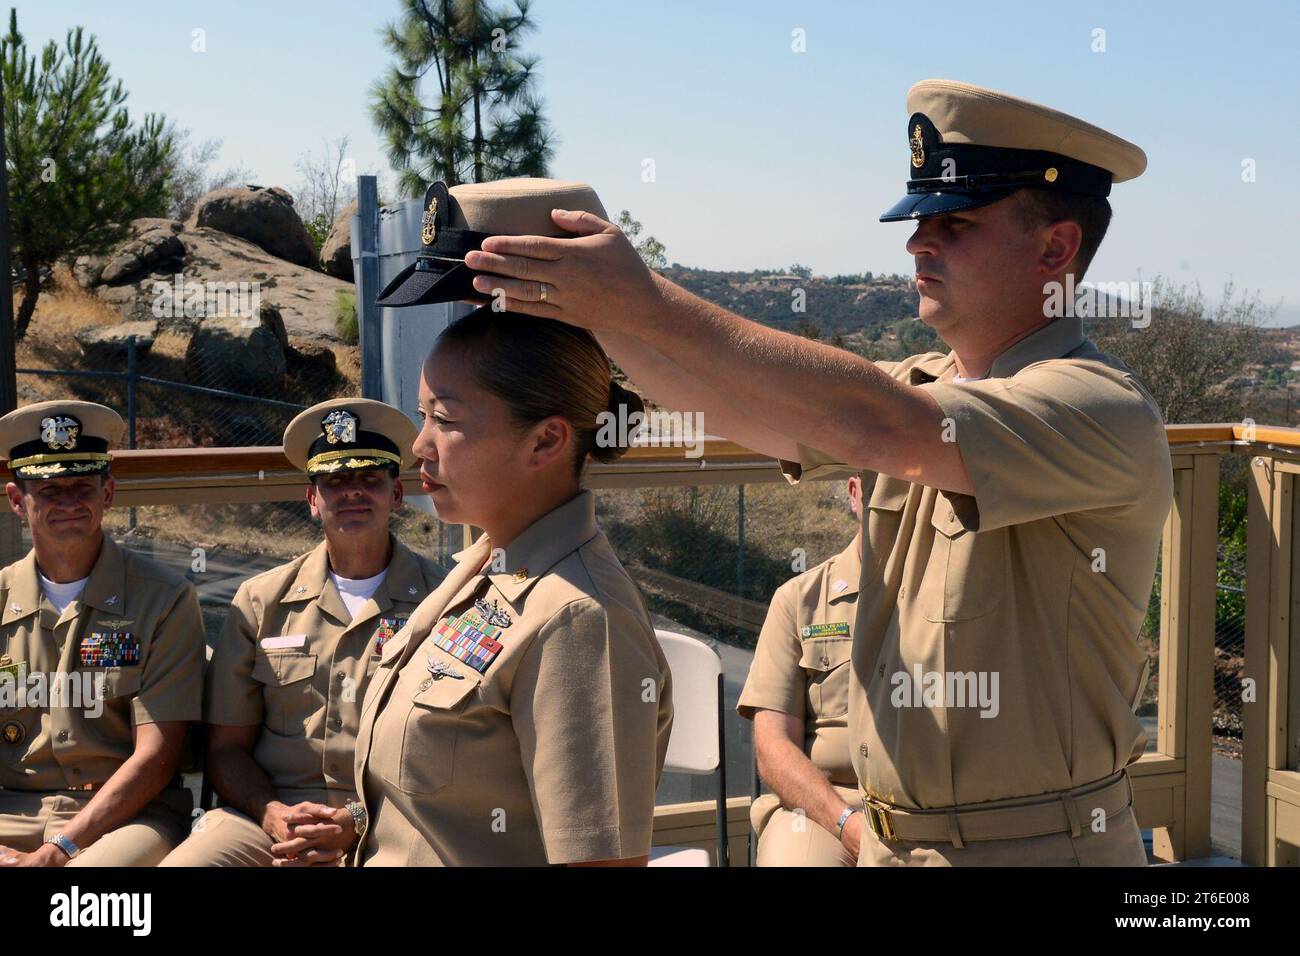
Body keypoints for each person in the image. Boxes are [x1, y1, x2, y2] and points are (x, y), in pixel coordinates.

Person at [458, 79, 1174, 866]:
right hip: (896, 843)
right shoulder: (923, 385)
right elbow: (744, 406)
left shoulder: (1098, 406)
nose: (918, 243)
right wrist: (603, 311)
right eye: (919, 221)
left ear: (1056, 249)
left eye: (956, 222)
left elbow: (868, 420)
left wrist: (647, 299)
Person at [276, 301, 672, 868]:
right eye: (423, 415)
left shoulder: (579, 620)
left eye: (446, 418)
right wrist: (362, 820)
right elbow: (465, 786)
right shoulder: (483, 567)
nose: (419, 446)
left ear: (544, 442)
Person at [159, 398, 444, 867]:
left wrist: (354, 817)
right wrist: (273, 815)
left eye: (370, 479)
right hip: (267, 815)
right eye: (335, 482)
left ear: (396, 495)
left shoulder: (441, 601)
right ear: (313, 500)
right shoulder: (260, 602)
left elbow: (444, 752)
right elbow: (227, 749)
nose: (353, 493)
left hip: (396, 816)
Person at [0, 400, 204, 866]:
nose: (69, 502)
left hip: (127, 815)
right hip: (12, 806)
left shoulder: (164, 600)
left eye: (82, 487)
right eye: (49, 489)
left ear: (108, 493)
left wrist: (61, 847)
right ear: (17, 500)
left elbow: (156, 757)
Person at [739, 476, 865, 866]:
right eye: (887, 486)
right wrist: (847, 822)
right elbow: (773, 746)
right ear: (855, 493)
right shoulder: (800, 601)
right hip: (827, 806)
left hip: (931, 810)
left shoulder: (955, 602)